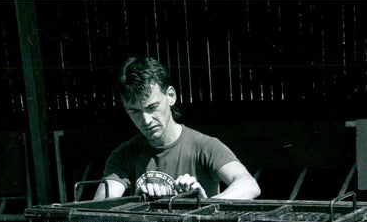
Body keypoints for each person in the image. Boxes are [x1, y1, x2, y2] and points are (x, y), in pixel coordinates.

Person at [94, 56, 260, 201]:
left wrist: (204, 205)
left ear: (171, 96)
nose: (145, 120)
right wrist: (138, 201)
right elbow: (100, 205)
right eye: (135, 111)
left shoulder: (205, 146)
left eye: (152, 107)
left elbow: (248, 184)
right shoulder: (124, 155)